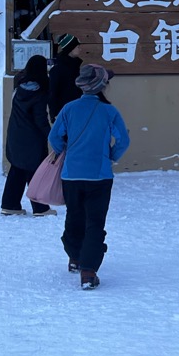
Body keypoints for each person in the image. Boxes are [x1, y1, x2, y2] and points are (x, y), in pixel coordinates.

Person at [47, 64, 129, 290]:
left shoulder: (68, 109)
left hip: (71, 174)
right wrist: (110, 156)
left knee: (74, 216)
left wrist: (67, 151)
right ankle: (88, 270)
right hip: (99, 175)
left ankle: (74, 256)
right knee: (95, 222)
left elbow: (54, 137)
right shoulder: (109, 111)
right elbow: (123, 141)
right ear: (103, 85)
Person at [1, 53, 55, 217]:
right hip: (31, 139)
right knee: (35, 171)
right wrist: (52, 135)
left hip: (15, 135)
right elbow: (40, 120)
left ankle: (9, 205)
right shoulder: (38, 93)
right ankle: (40, 208)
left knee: (17, 170)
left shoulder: (19, 88)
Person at [47, 33, 82, 119]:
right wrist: (53, 113)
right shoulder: (58, 69)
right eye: (78, 47)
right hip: (63, 111)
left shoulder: (76, 65)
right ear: (71, 49)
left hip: (77, 109)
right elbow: (53, 92)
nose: (80, 49)